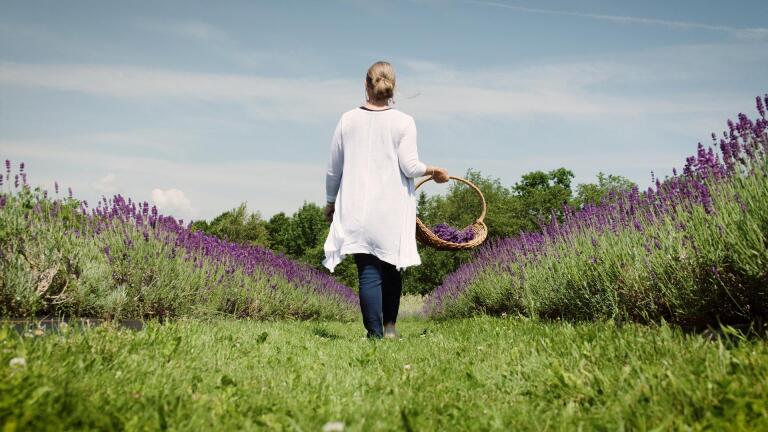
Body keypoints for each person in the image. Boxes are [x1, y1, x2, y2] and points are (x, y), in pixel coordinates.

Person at [323, 61, 449, 339]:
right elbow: (410, 166)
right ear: (393, 88)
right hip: (391, 210)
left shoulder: (347, 119)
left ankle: (375, 334)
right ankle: (390, 329)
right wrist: (434, 171)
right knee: (392, 269)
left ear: (366, 85)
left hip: (355, 209)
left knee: (368, 271)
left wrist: (331, 202)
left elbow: (334, 168)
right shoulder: (404, 122)